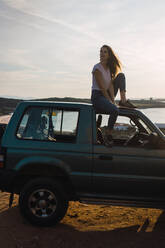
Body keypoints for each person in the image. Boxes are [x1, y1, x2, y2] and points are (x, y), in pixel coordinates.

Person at [91, 44, 136, 146]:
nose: (102, 53)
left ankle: (123, 100)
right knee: (115, 110)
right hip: (97, 96)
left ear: (109, 55)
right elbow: (102, 88)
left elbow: (110, 86)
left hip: (106, 94)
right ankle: (108, 134)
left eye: (105, 52)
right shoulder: (97, 68)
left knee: (121, 76)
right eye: (101, 51)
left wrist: (113, 100)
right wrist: (110, 102)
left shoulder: (109, 68)